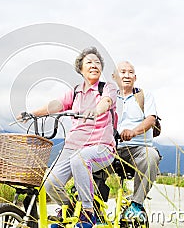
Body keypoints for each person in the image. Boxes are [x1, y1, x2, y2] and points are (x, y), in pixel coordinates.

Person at [18, 47, 117, 228]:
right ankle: (70, 209)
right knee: (50, 184)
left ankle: (87, 213)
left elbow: (107, 102)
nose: (94, 65)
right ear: (80, 68)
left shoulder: (106, 88)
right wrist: (32, 113)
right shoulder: (76, 91)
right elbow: (57, 105)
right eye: (89, 62)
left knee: (81, 159)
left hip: (101, 146)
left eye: (97, 63)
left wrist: (95, 110)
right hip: (72, 145)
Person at [112, 61, 161, 221]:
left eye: (130, 72)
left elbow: (151, 119)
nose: (126, 75)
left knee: (151, 156)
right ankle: (89, 207)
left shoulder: (144, 96)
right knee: (84, 158)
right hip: (110, 148)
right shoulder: (107, 98)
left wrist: (133, 132)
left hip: (137, 148)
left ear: (135, 77)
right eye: (122, 72)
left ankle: (136, 204)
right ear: (114, 77)